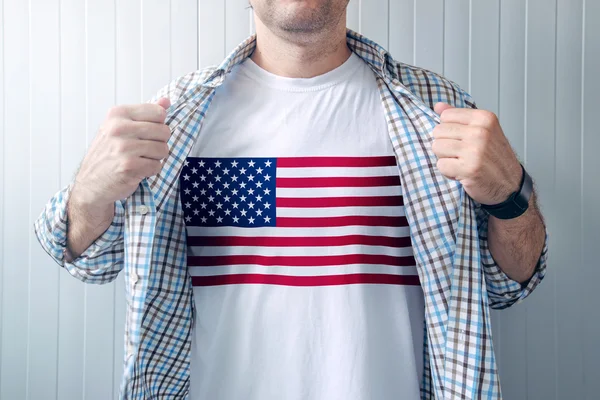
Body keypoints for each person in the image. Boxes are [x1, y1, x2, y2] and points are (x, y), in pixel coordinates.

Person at [34, 0, 548, 399]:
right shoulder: (176, 120)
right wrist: (90, 191)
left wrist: (511, 195)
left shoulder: (438, 113)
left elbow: (511, 284)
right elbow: (87, 258)